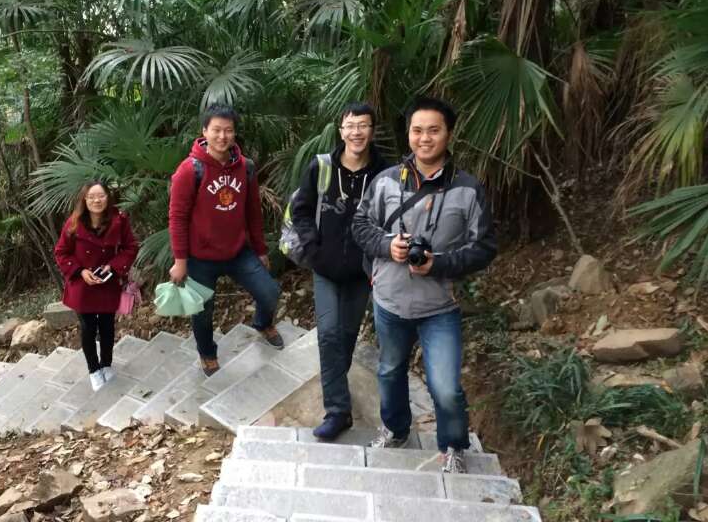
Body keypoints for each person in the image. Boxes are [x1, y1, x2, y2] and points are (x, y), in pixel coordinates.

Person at [352, 96, 497, 473]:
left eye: (434, 130)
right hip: (390, 301)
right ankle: (396, 429)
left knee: (446, 386)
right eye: (417, 130)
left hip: (440, 307)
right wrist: (387, 245)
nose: (425, 138)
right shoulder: (386, 181)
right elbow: (360, 226)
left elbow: (484, 247)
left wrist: (440, 264)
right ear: (408, 134)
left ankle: (453, 446)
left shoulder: (468, 189)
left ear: (448, 134)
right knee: (389, 370)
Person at [291, 103, 388, 440]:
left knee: (346, 337)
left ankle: (335, 385)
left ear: (372, 130)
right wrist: (313, 248)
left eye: (363, 125)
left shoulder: (385, 173)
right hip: (326, 268)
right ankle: (337, 410)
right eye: (350, 125)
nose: (356, 132)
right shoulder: (321, 167)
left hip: (364, 271)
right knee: (329, 333)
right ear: (341, 130)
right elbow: (301, 210)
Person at [168, 104, 283, 376]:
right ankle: (207, 353)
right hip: (200, 257)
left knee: (270, 292)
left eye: (228, 130)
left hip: (237, 251)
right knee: (202, 312)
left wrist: (260, 250)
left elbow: (253, 212)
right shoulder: (190, 170)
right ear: (204, 131)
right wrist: (180, 261)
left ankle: (263, 323)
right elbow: (177, 217)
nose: (222, 136)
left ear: (234, 133)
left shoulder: (245, 167)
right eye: (216, 130)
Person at [54, 181, 139, 391]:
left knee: (108, 326)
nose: (96, 200)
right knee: (88, 328)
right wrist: (80, 271)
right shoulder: (74, 223)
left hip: (108, 283)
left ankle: (106, 364)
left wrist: (113, 267)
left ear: (108, 198)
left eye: (101, 196)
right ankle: (93, 370)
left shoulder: (119, 220)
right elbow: (61, 252)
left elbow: (131, 247)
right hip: (83, 286)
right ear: (85, 200)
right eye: (91, 197)